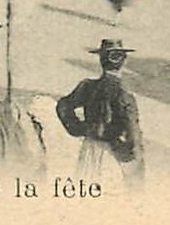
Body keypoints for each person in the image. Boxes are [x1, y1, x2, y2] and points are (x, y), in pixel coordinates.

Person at [56, 40, 144, 186]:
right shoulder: (124, 95)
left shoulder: (88, 87)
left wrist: (80, 128)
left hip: (89, 149)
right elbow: (132, 133)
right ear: (123, 62)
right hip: (113, 154)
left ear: (101, 61)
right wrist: (132, 155)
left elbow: (64, 105)